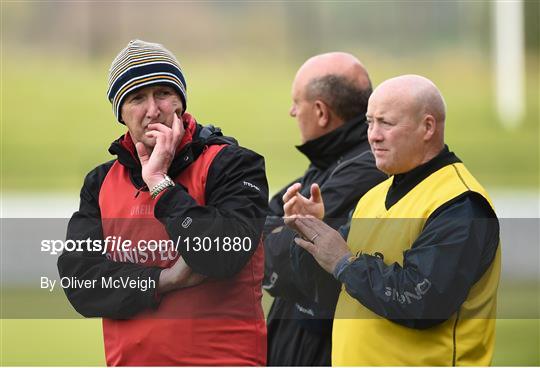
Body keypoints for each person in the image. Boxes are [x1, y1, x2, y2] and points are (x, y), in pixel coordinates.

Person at [57, 40, 269, 366]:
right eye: (137, 98)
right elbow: (81, 282)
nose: (153, 110)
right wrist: (162, 281)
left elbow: (223, 254)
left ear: (181, 103)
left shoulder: (233, 165)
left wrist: (160, 184)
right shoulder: (100, 183)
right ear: (121, 114)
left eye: (163, 94)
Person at [287, 75, 501, 366]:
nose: (373, 135)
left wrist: (344, 263)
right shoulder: (372, 197)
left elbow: (423, 303)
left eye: (386, 123)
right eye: (369, 122)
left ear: (427, 127)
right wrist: (313, 233)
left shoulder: (460, 203)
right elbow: (327, 292)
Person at [263, 52, 386, 366]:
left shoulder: (366, 168)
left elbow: (277, 252)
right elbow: (257, 222)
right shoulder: (332, 160)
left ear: (320, 111)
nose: (292, 111)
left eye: (296, 102)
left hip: (323, 351)